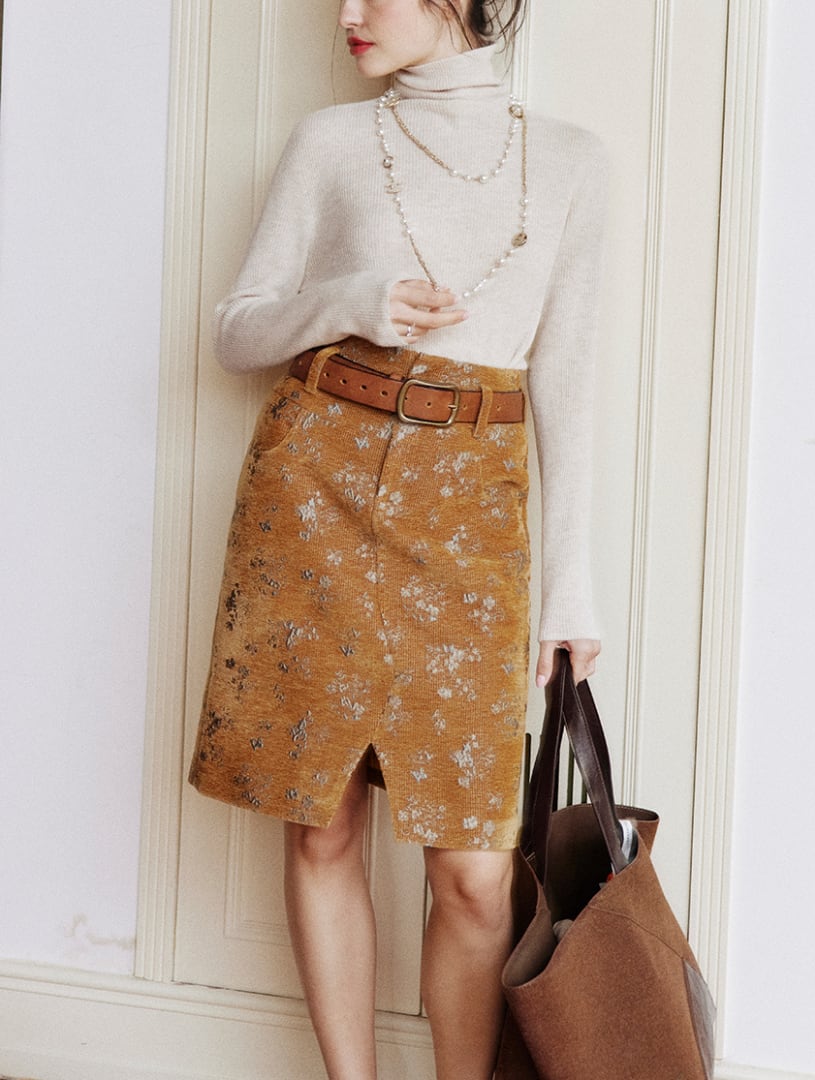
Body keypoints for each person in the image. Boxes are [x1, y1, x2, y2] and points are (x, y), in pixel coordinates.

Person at [188, 1, 604, 1076]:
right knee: (321, 821)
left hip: (474, 511)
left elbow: (571, 383)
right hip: (315, 484)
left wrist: (572, 586)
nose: (348, 15)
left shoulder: (571, 160)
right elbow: (237, 331)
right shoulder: (331, 141)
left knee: (473, 873)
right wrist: (351, 299)